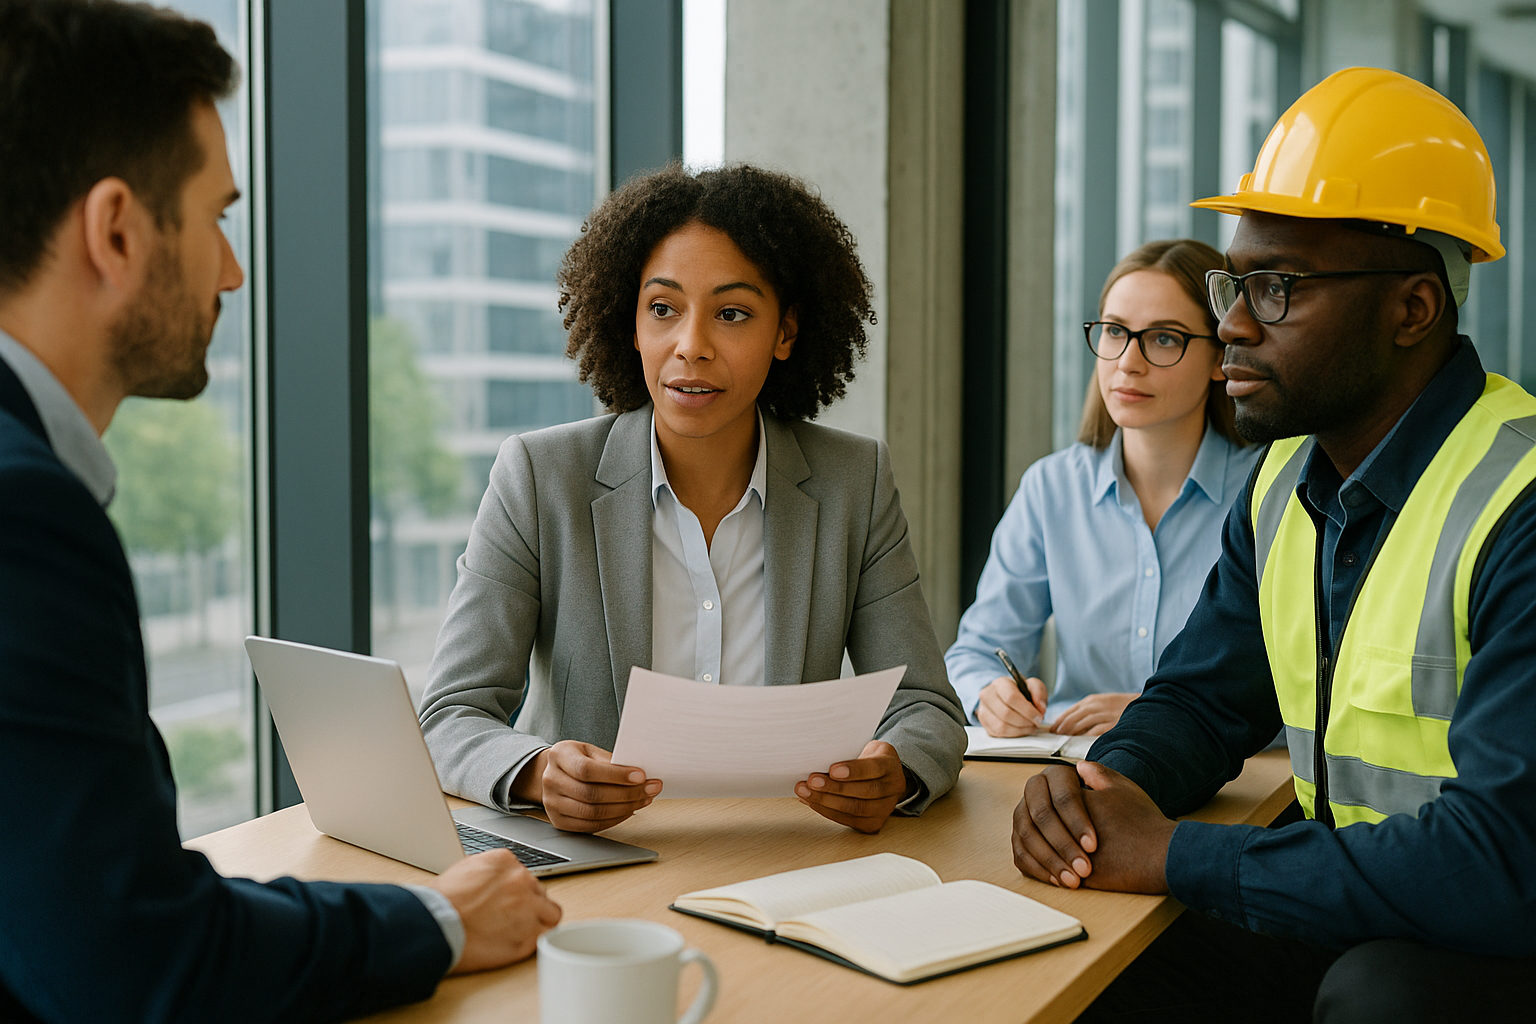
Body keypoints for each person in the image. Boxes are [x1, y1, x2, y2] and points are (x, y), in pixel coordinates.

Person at [0, 4, 559, 1021]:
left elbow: (75, 906)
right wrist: (434, 924)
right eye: (217, 216)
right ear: (116, 230)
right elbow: (134, 962)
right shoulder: (25, 513)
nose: (234, 269)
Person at [1011, 67, 1536, 1021]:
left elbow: (1498, 865)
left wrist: (1168, 851)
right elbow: (1202, 702)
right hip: (1361, 907)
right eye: (1233, 284)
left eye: (1277, 288)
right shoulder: (1283, 482)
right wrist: (1098, 793)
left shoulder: (1521, 504)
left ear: (1412, 309)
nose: (1232, 325)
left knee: (1382, 997)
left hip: (1493, 930)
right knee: (1090, 963)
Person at [418, 163, 968, 836]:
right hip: (599, 867)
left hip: (783, 859)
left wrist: (897, 768)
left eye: (731, 314)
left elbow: (926, 708)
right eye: (663, 309)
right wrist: (537, 770)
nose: (692, 346)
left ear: (786, 333)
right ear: (632, 324)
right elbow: (450, 713)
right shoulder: (539, 477)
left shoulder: (854, 481)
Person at [946, 239, 1257, 738]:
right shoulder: (1052, 489)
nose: (1128, 362)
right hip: (1074, 768)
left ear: (1221, 358)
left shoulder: (1267, 496)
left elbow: (1297, 686)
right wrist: (990, 693)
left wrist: (1165, 713)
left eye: (1163, 338)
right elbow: (978, 650)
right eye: (1115, 331)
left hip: (1229, 781)